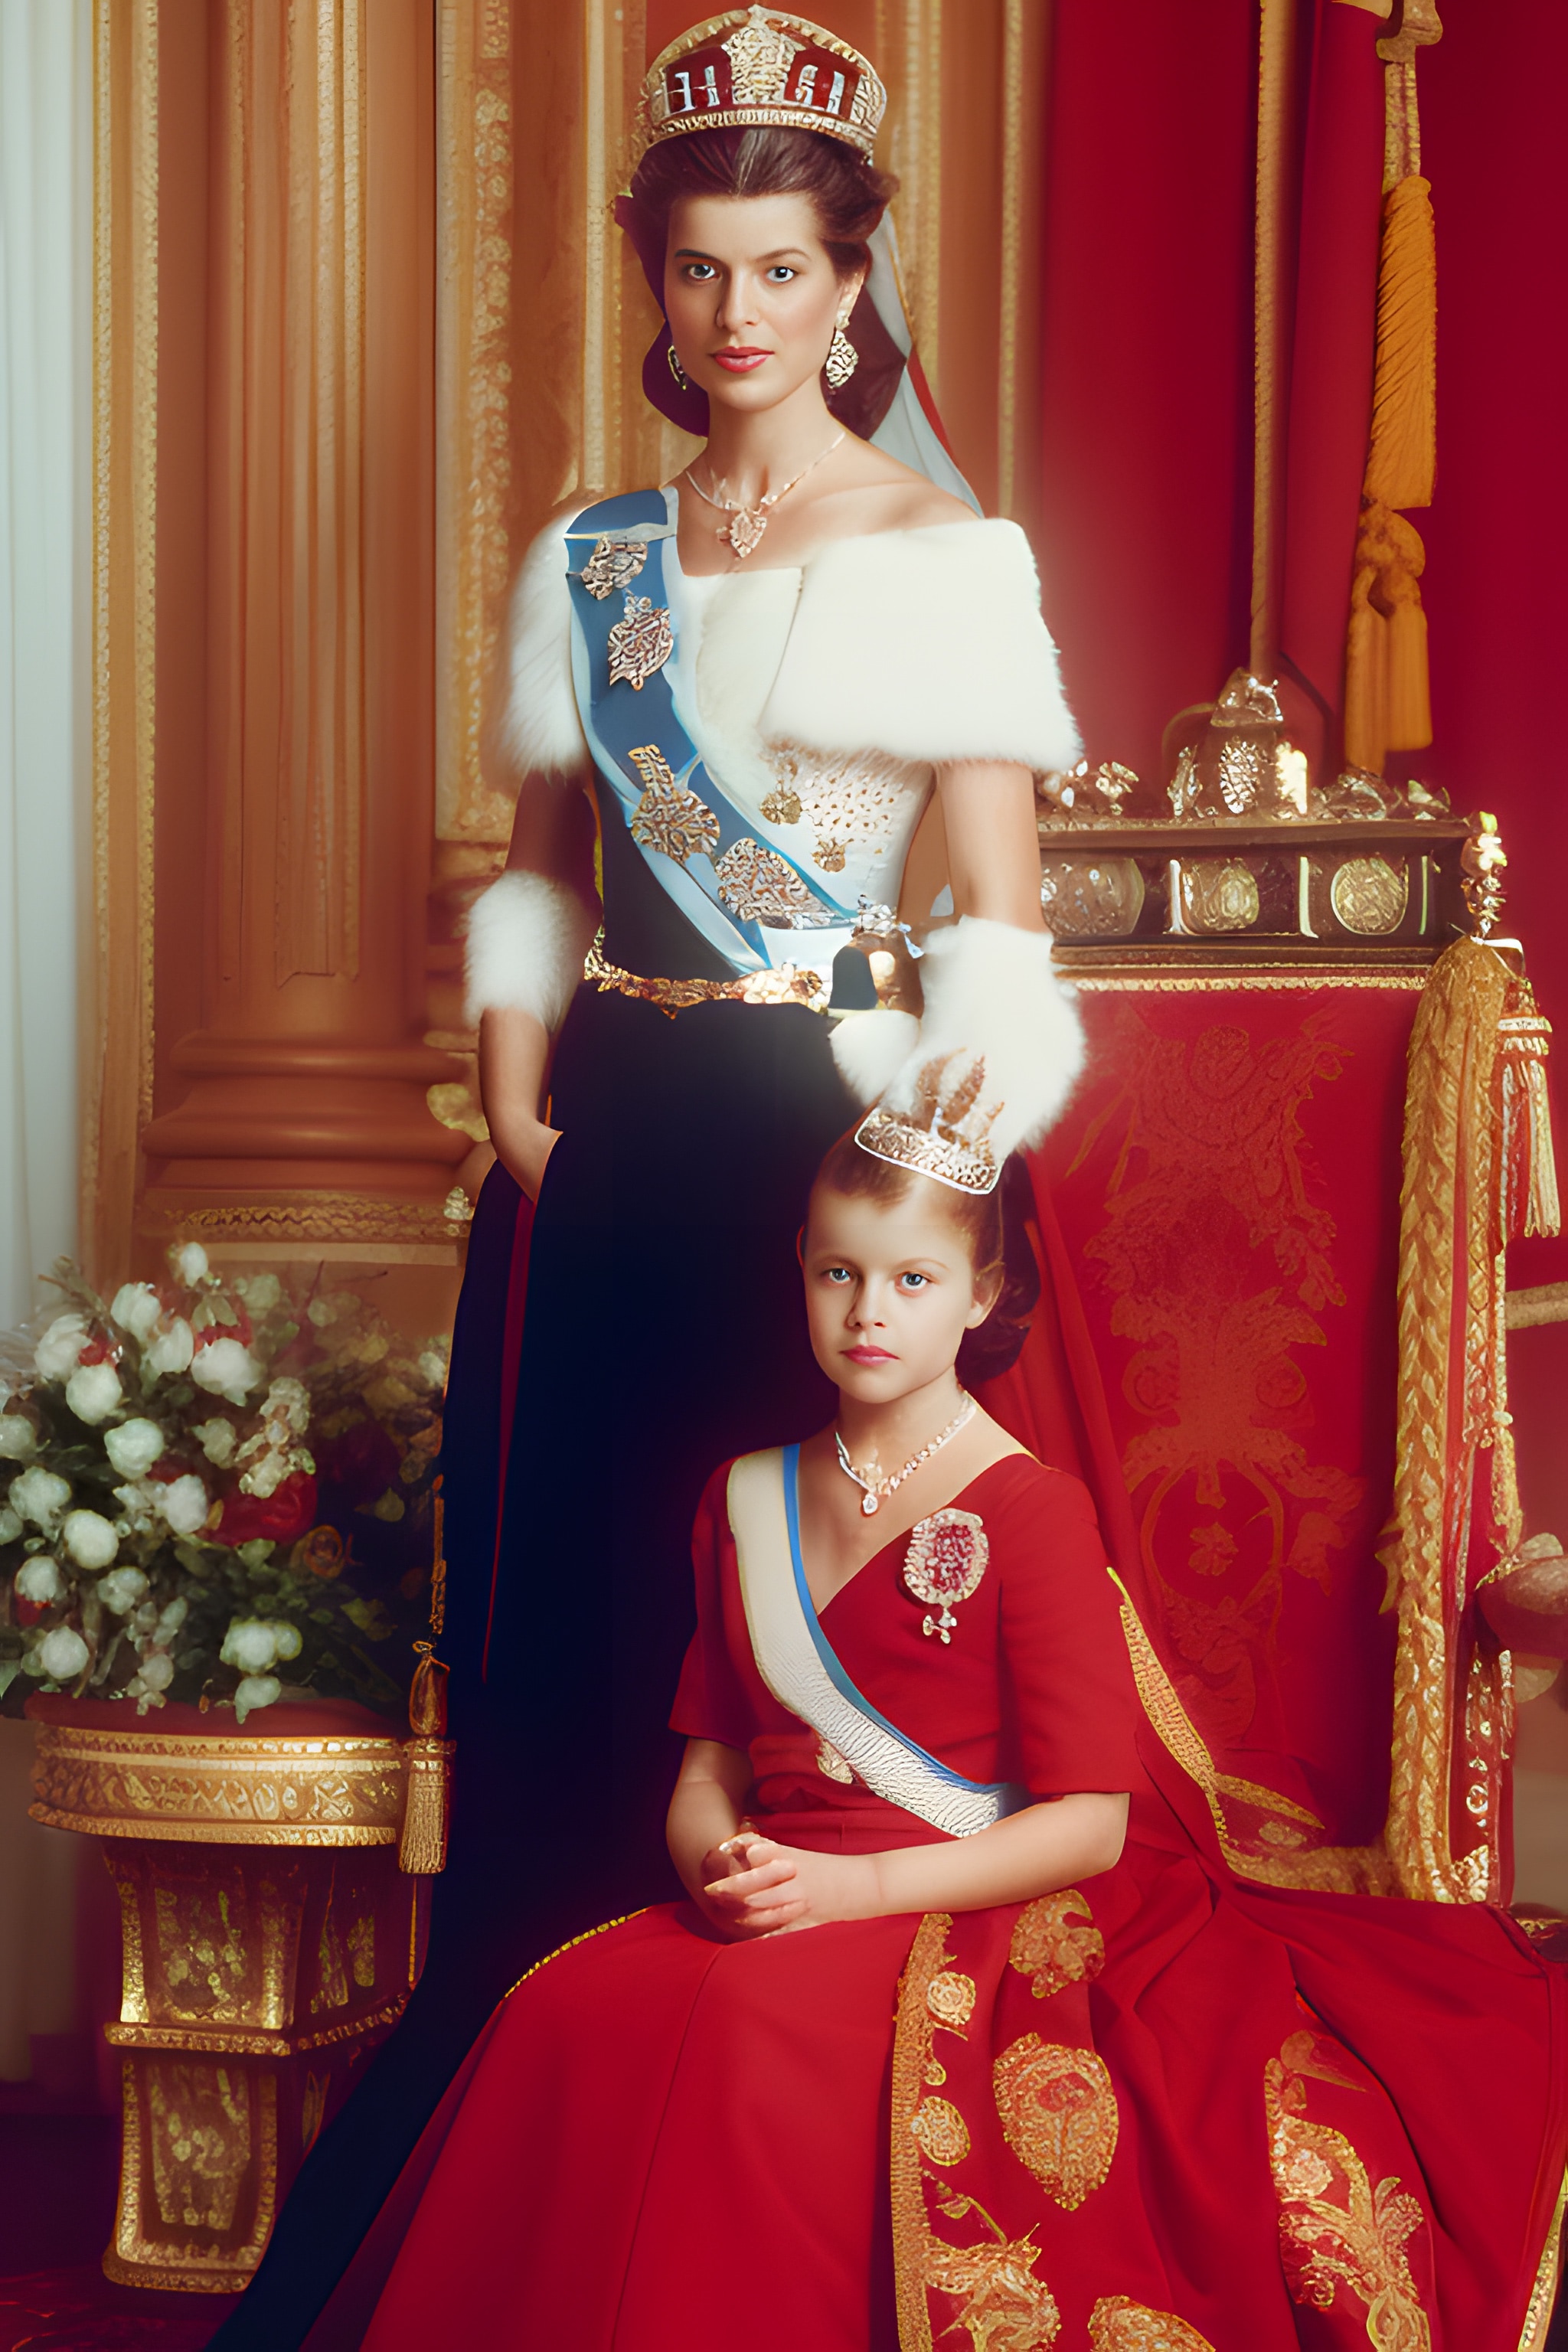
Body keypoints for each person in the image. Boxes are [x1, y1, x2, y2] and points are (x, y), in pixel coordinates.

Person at [212, 18, 1086, 2342]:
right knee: (585, 1657)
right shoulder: (588, 558)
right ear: (653, 275)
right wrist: (513, 1085)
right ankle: (514, 2129)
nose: (740, 320)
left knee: (780, 1651)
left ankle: (753, 2185)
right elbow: (534, 867)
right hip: (598, 1157)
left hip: (821, 1163)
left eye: (786, 271)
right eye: (700, 272)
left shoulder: (944, 556)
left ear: (853, 276)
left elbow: (999, 915)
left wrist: (947, 1161)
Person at [327, 1125, 1566, 2351]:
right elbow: (705, 1771)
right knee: (567, 2011)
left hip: (969, 1899)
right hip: (782, 1893)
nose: (871, 1312)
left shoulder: (1031, 1509)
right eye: (839, 1273)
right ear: (802, 1270)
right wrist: (725, 1868)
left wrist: (850, 1886)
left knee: (754, 2046)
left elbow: (1089, 1824)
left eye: (913, 1280)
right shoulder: (739, 1496)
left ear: (983, 1295)